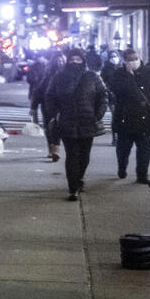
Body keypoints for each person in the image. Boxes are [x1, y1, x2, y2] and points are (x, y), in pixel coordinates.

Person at [46, 48, 108, 201]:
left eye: (78, 59)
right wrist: (55, 113)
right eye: (72, 59)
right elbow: (50, 96)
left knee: (84, 155)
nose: (75, 62)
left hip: (88, 121)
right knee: (72, 155)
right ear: (68, 60)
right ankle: (72, 187)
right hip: (67, 121)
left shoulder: (92, 76)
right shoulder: (59, 77)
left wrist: (98, 114)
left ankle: (79, 178)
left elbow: (103, 95)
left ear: (83, 60)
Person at [109, 49, 150, 182]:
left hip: (144, 117)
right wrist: (129, 76)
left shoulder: (148, 72)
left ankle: (142, 174)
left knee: (144, 149)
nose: (133, 62)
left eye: (135, 58)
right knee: (123, 149)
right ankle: (122, 167)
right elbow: (118, 92)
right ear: (125, 61)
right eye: (130, 60)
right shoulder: (119, 74)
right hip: (125, 117)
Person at [31, 51, 66, 162]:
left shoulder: (67, 75)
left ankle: (55, 150)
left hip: (61, 106)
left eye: (61, 60)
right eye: (57, 60)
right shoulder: (47, 75)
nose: (59, 62)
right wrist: (34, 106)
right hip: (47, 105)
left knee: (56, 127)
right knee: (48, 127)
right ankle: (51, 148)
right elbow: (39, 91)